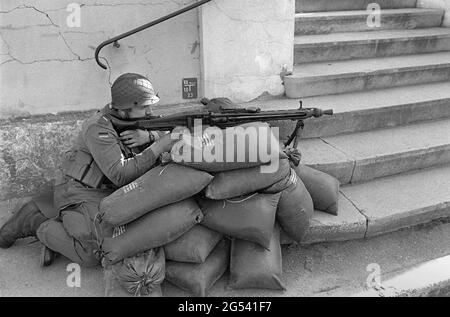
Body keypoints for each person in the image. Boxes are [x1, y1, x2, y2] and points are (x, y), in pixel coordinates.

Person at [0, 73, 180, 267]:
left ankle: (62, 224)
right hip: (80, 190)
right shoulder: (98, 128)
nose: (149, 111)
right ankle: (36, 222)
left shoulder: (137, 120)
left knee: (128, 234)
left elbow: (166, 126)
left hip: (108, 191)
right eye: (144, 107)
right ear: (125, 109)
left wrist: (150, 136)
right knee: (93, 252)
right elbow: (120, 174)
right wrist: (159, 146)